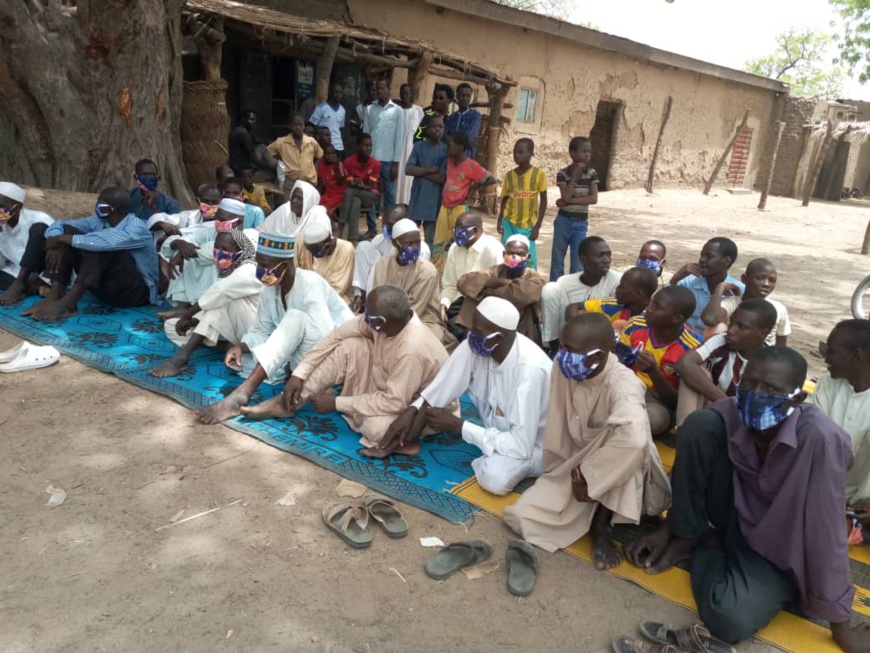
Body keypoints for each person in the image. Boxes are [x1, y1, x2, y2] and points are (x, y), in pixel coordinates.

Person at [624, 347, 870, 651]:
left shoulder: (820, 441)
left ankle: (708, 545)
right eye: (749, 384)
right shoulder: (732, 412)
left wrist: (842, 631)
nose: (756, 395)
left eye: (771, 389)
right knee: (699, 425)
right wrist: (670, 528)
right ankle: (688, 534)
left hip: (781, 549)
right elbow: (691, 467)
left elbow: (827, 532)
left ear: (797, 399)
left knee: (729, 621)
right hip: (737, 517)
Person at [504, 313, 671, 565]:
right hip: (574, 463)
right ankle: (599, 512)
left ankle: (602, 527)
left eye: (571, 350)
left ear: (599, 356)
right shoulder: (564, 366)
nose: (563, 355)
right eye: (563, 346)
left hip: (613, 468)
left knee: (625, 440)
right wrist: (563, 470)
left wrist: (589, 477)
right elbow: (559, 421)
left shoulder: (624, 385)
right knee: (520, 517)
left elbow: (634, 442)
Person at [243, 285, 449, 452]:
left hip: (417, 408)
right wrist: (299, 374)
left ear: (380, 322)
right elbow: (335, 336)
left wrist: (336, 403)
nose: (363, 317)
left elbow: (394, 402)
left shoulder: (411, 350)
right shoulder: (384, 322)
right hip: (387, 384)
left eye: (367, 315)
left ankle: (402, 439)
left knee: (377, 429)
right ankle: (289, 401)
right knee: (349, 346)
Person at [380, 297, 552, 495]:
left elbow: (521, 446)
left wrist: (460, 427)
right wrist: (412, 410)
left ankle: (503, 456)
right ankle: (489, 445)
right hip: (500, 432)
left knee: (495, 479)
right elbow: (442, 386)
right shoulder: (481, 345)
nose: (469, 335)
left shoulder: (529, 373)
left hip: (533, 446)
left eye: (477, 332)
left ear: (498, 338)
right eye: (471, 328)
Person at [197, 232, 353, 424]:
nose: (259, 270)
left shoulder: (310, 284)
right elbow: (262, 328)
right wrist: (241, 347)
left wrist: (298, 372)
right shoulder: (270, 288)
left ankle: (243, 393)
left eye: (264, 265)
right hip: (298, 353)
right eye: (258, 264)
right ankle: (288, 378)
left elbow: (325, 339)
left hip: (331, 354)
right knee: (247, 362)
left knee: (295, 318)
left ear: (285, 266)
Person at [21, 187, 158, 321]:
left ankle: (68, 305)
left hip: (135, 292)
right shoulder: (99, 221)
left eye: (100, 205)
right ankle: (56, 294)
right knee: (69, 232)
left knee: (98, 245)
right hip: (105, 287)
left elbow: (105, 242)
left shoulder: (136, 227)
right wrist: (54, 244)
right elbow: (60, 225)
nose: (96, 207)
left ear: (111, 209)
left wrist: (60, 239)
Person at [149, 226, 261, 378]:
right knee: (172, 327)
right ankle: (227, 347)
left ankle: (182, 358)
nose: (219, 252)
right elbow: (213, 298)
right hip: (232, 323)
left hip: (254, 327)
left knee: (220, 304)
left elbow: (219, 292)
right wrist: (194, 320)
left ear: (240, 251)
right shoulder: (228, 268)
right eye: (217, 247)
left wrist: (187, 315)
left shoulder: (249, 269)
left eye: (225, 249)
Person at [675, 299, 777, 427]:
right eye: (731, 322)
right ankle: (684, 431)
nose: (731, 330)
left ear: (762, 333)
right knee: (696, 372)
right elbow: (684, 363)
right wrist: (727, 403)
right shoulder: (722, 340)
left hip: (742, 421)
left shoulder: (771, 364)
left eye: (741, 326)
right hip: (712, 407)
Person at [619, 286, 701, 436]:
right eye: (652, 302)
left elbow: (678, 403)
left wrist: (653, 372)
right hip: (625, 388)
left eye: (657, 307)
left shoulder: (692, 347)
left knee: (653, 420)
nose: (649, 309)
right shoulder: (635, 325)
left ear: (677, 318)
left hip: (658, 402)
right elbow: (617, 366)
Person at [367, 218, 455, 351]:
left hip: (421, 320)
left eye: (417, 243)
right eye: (409, 243)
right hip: (385, 318)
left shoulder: (427, 271)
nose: (414, 248)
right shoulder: (382, 264)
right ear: (395, 243)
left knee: (413, 345)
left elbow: (414, 310)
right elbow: (378, 298)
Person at [158, 198, 253, 319]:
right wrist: (180, 244)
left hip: (231, 289)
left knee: (215, 260)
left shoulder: (249, 236)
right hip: (205, 274)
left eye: (222, 220)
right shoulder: (211, 231)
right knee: (182, 249)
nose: (218, 222)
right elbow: (178, 241)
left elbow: (211, 251)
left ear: (238, 222)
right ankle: (183, 306)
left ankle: (200, 310)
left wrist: (185, 252)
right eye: (217, 218)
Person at [814, 320, 870, 515]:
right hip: (820, 492)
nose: (825, 357)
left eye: (831, 351)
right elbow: (815, 439)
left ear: (856, 355)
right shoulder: (827, 383)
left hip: (862, 505)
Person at [456, 234, 545, 346]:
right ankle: (467, 344)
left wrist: (486, 291)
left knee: (477, 293)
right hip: (491, 319)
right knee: (471, 299)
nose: (514, 257)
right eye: (510, 253)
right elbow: (464, 282)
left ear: (528, 257)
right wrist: (496, 282)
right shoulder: (497, 270)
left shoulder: (534, 277)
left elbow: (523, 295)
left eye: (520, 254)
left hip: (520, 328)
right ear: (504, 254)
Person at [541, 236, 621, 351]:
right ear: (583, 259)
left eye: (608, 255)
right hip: (568, 335)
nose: (607, 260)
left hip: (601, 339)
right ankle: (553, 347)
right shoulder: (565, 283)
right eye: (600, 255)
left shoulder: (617, 280)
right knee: (550, 288)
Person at [431, 132, 496, 268]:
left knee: (460, 240)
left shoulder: (471, 165)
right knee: (438, 241)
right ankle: (436, 271)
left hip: (459, 208)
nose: (447, 148)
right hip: (445, 207)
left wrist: (470, 188)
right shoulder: (449, 162)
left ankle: (460, 269)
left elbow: (490, 179)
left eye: (450, 145)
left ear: (460, 148)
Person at [350, 205, 431, 313]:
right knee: (363, 246)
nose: (385, 228)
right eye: (384, 223)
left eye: (390, 225)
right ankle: (361, 298)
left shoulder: (420, 249)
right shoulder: (380, 240)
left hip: (401, 290)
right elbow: (369, 266)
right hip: (378, 286)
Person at [440, 210, 504, 339]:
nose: (456, 235)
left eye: (460, 231)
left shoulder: (494, 249)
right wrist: (444, 304)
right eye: (455, 230)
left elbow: (498, 289)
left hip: (482, 304)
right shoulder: (455, 248)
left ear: (475, 230)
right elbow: (450, 284)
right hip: (458, 303)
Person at [701, 257, 790, 346]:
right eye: (760, 278)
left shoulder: (778, 309)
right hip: (733, 351)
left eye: (772, 281)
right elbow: (710, 319)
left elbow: (781, 345)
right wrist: (720, 288)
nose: (766, 284)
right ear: (744, 279)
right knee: (717, 328)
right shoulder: (733, 303)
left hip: (763, 353)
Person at [670, 237, 744, 334]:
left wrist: (719, 289)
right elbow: (666, 306)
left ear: (726, 261)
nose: (702, 260)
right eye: (702, 255)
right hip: (684, 337)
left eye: (709, 256)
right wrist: (675, 279)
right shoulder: (689, 281)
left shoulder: (738, 290)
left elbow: (711, 320)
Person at [550, 137, 598, 281]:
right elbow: (565, 195)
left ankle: (574, 289)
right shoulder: (563, 174)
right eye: (583, 151)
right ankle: (555, 288)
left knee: (578, 261)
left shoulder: (591, 173)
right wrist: (575, 176)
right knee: (557, 258)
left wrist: (568, 201)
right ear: (572, 153)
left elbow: (593, 199)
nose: (587, 154)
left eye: (589, 152)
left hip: (581, 223)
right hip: (563, 221)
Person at [497, 138, 548, 270]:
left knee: (529, 257)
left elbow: (544, 200)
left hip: (528, 225)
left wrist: (537, 226)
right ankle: (508, 279)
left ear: (531, 153)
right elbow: (505, 198)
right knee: (508, 255)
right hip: (509, 223)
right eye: (514, 152)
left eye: (521, 152)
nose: (516, 155)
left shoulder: (538, 174)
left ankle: (530, 280)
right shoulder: (509, 176)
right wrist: (500, 220)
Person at [0, 181, 54, 304]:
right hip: (17, 272)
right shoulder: (1, 226)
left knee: (39, 229)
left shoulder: (40, 219)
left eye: (1, 205)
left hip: (46, 270)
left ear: (17, 206)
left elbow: (60, 253)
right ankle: (33, 287)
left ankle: (21, 286)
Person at [364, 78, 405, 239]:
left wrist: (396, 163)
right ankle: (372, 228)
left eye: (382, 88)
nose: (379, 91)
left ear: (389, 89)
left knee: (390, 196)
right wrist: (366, 158)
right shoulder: (370, 109)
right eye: (377, 89)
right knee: (371, 194)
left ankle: (389, 229)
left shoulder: (398, 111)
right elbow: (366, 134)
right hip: (372, 159)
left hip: (389, 160)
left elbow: (399, 138)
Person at [567, 266, 659, 330]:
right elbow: (573, 307)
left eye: (622, 286)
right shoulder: (612, 304)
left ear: (638, 294)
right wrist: (579, 327)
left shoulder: (653, 320)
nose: (617, 289)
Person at [294, 207, 356, 303]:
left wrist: (309, 298)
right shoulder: (301, 242)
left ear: (327, 246)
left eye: (315, 252)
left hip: (333, 298)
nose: (312, 255)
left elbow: (337, 289)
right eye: (310, 251)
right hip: (303, 294)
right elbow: (293, 272)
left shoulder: (346, 250)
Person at [406, 115, 447, 246]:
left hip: (435, 200)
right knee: (410, 233)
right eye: (434, 126)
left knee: (430, 238)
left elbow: (442, 178)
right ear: (427, 129)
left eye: (440, 127)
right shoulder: (418, 146)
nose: (437, 129)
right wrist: (430, 170)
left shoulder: (445, 150)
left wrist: (421, 172)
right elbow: (408, 169)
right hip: (418, 197)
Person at [267, 114, 323, 201]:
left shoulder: (311, 142)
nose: (298, 127)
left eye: (300, 125)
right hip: (291, 180)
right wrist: (280, 159)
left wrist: (315, 167)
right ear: (290, 126)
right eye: (295, 124)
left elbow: (320, 155)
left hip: (308, 180)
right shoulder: (282, 142)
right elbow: (269, 151)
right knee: (290, 205)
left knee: (308, 205)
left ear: (304, 126)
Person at [338, 134, 381, 241]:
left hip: (369, 196)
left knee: (349, 192)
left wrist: (361, 185)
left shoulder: (376, 164)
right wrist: (353, 182)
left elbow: (370, 187)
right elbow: (348, 181)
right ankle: (353, 237)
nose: (368, 148)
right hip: (355, 194)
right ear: (357, 147)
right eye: (365, 145)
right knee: (355, 201)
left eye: (370, 145)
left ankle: (340, 226)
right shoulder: (348, 162)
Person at [147, 183, 222, 240]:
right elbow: (158, 218)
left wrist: (174, 235)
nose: (210, 205)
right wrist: (162, 224)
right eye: (206, 201)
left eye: (214, 202)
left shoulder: (224, 222)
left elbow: (199, 233)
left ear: (220, 202)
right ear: (198, 201)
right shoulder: (190, 216)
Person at [395, 83, 424, 206]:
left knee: (410, 176)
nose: (404, 96)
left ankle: (409, 203)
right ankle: (397, 203)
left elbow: (420, 131)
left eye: (407, 93)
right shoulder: (396, 110)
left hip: (412, 148)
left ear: (411, 95)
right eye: (402, 93)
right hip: (398, 148)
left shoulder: (418, 111)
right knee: (398, 175)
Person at [444, 83, 482, 157]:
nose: (465, 98)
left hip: (467, 157)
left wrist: (452, 139)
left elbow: (469, 137)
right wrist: (465, 142)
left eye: (467, 96)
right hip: (449, 157)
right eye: (462, 95)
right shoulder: (450, 118)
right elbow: (445, 137)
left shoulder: (475, 116)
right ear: (457, 96)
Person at [309, 82, 346, 157]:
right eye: (336, 92)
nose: (338, 95)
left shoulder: (343, 110)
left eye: (340, 93)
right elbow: (312, 125)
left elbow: (340, 128)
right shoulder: (321, 108)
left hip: (338, 146)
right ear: (330, 92)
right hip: (324, 146)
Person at [316, 144, 346, 220]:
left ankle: (331, 224)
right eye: (327, 154)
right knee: (316, 205)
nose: (330, 156)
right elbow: (320, 183)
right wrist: (318, 196)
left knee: (326, 208)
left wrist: (336, 167)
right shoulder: (321, 164)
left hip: (339, 194)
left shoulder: (339, 164)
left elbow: (340, 182)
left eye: (333, 154)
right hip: (328, 194)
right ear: (323, 155)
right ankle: (333, 216)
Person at [228, 109, 259, 174]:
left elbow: (256, 140)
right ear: (243, 120)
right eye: (251, 119)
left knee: (262, 147)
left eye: (255, 120)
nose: (254, 122)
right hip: (241, 165)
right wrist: (271, 167)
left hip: (236, 163)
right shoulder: (243, 133)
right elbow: (253, 157)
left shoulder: (238, 129)